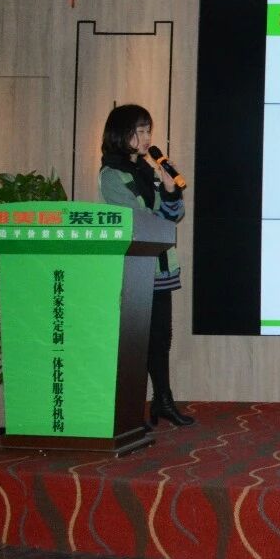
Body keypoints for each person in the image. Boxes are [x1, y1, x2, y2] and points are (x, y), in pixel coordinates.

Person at [98, 104, 194, 427]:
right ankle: (130, 411)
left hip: (160, 266)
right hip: (134, 269)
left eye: (148, 130)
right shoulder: (112, 175)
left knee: (161, 338)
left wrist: (169, 190)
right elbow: (139, 220)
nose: (146, 137)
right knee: (136, 342)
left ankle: (162, 401)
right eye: (139, 130)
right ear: (121, 134)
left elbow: (174, 216)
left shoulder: (149, 171)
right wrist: (162, 207)